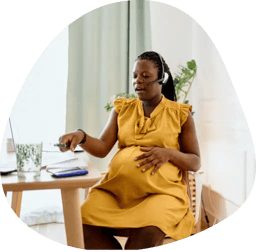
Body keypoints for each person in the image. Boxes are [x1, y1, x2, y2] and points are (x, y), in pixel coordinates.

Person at [58, 51, 201, 250]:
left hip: (161, 194)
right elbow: (101, 147)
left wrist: (168, 153)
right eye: (134, 76)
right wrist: (80, 136)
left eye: (145, 76)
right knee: (81, 223)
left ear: (161, 79)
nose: (137, 82)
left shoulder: (180, 114)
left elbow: (195, 161)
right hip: (115, 192)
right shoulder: (122, 109)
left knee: (147, 234)